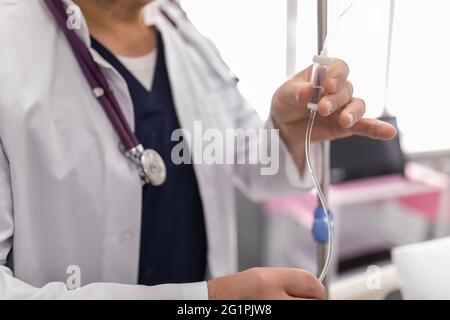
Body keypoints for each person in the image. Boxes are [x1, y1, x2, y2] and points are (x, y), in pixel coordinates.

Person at [0, 0, 396, 299]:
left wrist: (288, 133)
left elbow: (243, 161)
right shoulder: (11, 47)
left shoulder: (182, 33)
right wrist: (204, 300)